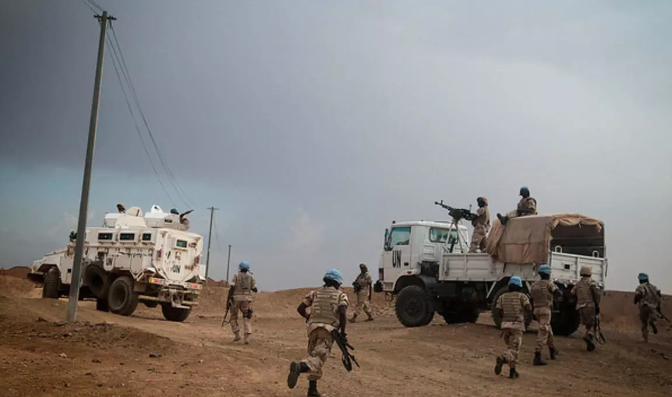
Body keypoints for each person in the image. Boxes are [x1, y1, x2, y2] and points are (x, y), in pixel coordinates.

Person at [288, 269, 349, 397]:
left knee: (313, 356)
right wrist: (343, 332)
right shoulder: (340, 295)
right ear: (337, 283)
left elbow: (300, 308)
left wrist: (308, 316)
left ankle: (312, 390)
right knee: (318, 359)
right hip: (327, 330)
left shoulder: (315, 293)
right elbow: (343, 312)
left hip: (312, 329)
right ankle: (300, 366)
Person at [494, 276, 531, 379]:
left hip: (505, 326)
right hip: (517, 326)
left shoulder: (502, 296)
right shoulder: (522, 296)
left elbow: (497, 311)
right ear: (519, 286)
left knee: (511, 348)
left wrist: (504, 318)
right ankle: (503, 358)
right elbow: (528, 308)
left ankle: (513, 372)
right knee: (514, 349)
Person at [530, 265, 562, 365]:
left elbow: (530, 296)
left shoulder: (534, 284)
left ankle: (552, 350)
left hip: (536, 310)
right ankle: (537, 355)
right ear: (548, 274)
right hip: (545, 310)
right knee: (543, 332)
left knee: (548, 330)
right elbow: (558, 292)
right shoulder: (549, 284)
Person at [227, 261, 258, 344]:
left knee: (233, 316)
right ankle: (247, 337)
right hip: (246, 299)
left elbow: (232, 287)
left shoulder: (236, 276)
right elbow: (255, 289)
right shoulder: (251, 277)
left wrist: (229, 298)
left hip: (236, 298)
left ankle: (237, 334)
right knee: (246, 317)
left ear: (240, 267)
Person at [571, 266, 600, 351]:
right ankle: (588, 336)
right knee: (594, 323)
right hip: (590, 306)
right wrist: (597, 305)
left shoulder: (578, 283)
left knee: (588, 324)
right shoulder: (592, 282)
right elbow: (596, 293)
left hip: (580, 307)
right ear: (590, 273)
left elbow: (572, 294)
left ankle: (589, 344)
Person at [634, 273, 662, 343]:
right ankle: (653, 323)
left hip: (644, 306)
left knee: (644, 322)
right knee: (653, 318)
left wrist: (635, 300)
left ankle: (645, 338)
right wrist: (658, 307)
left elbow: (638, 295)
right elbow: (659, 297)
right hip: (653, 306)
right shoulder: (654, 287)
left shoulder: (640, 287)